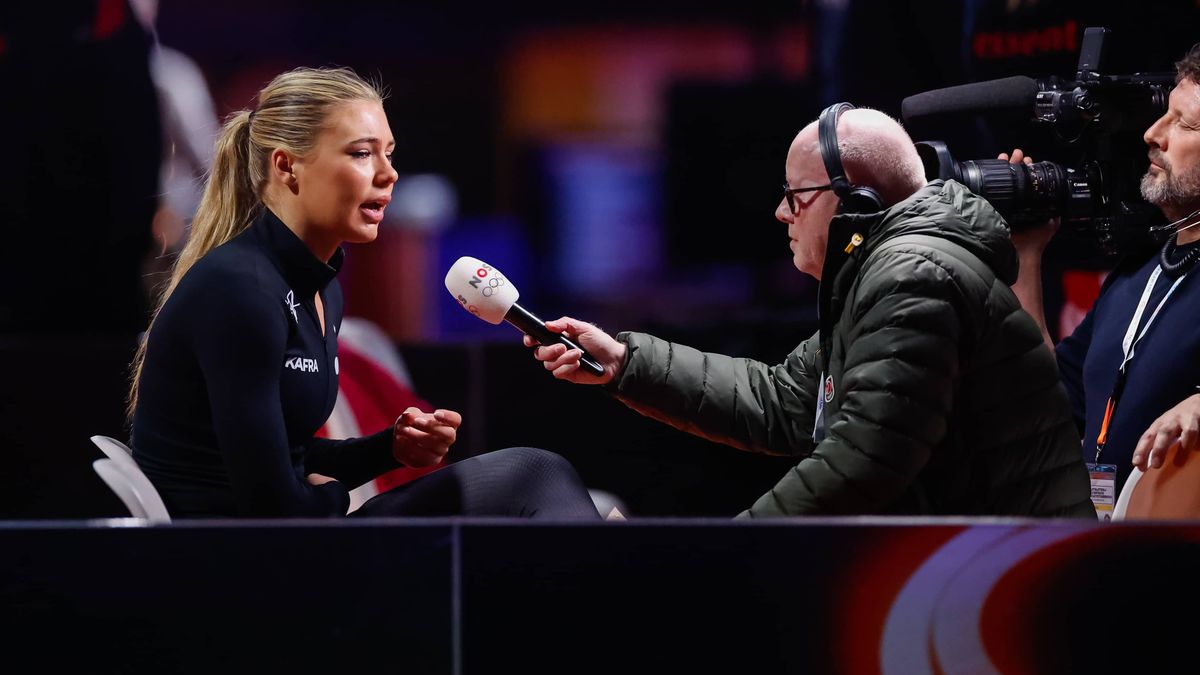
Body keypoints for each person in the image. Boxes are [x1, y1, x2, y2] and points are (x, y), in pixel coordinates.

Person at [527, 104, 1094, 517]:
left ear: (857, 202)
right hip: (979, 561)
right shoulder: (899, 268)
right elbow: (785, 399)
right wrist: (626, 361)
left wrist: (711, 555)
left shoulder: (911, 276)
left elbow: (864, 461)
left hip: (1006, 575)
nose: (781, 213)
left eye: (795, 196)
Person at [129, 66, 599, 520]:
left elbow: (283, 453)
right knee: (534, 474)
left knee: (536, 477)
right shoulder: (240, 290)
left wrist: (388, 449)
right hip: (246, 566)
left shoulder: (317, 286)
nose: (388, 173)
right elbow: (272, 509)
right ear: (287, 166)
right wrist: (336, 496)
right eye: (361, 153)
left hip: (291, 542)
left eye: (389, 153)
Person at [1010, 43, 1200, 506]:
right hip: (1106, 543)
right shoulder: (1137, 273)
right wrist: (1025, 253)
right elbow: (1044, 399)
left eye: (1186, 123)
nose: (1152, 134)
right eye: (1163, 116)